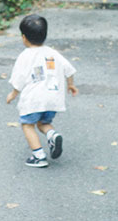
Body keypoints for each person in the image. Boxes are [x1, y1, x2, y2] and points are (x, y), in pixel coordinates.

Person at [6, 14, 78, 167]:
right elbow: (69, 70)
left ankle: (38, 155)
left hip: (34, 100)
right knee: (43, 123)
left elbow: (19, 78)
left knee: (27, 125)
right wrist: (70, 85)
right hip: (53, 98)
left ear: (24, 37)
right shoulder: (53, 53)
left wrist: (13, 94)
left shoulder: (25, 56)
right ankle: (52, 134)